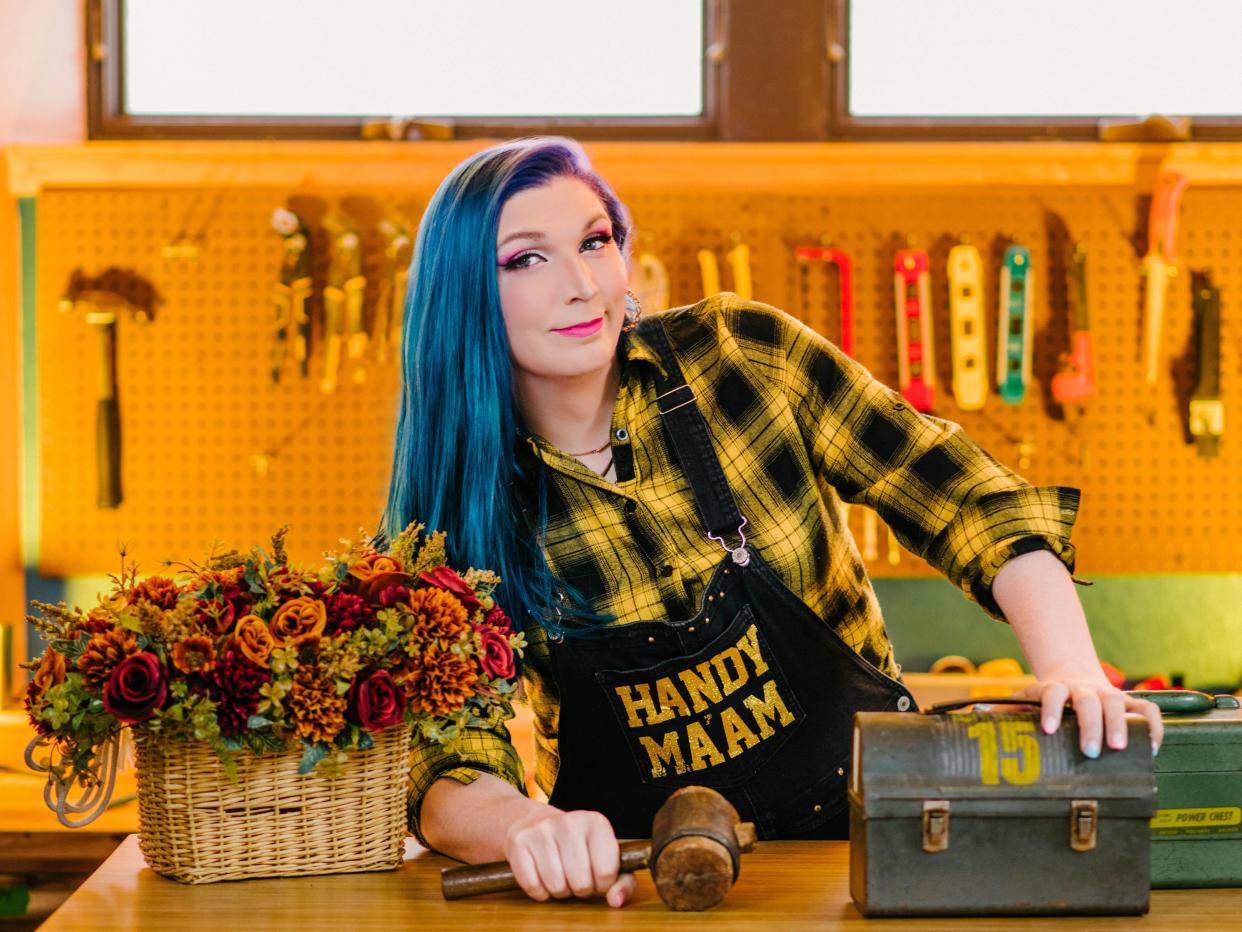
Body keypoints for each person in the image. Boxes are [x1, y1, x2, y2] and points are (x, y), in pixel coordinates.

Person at [380, 137, 1163, 908]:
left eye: (596, 241)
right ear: (463, 297)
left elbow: (964, 497)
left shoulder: (742, 359)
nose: (583, 284)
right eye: (526, 259)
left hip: (871, 860)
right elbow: (447, 758)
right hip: (646, 891)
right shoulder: (454, 510)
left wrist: (1069, 667)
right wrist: (523, 827)